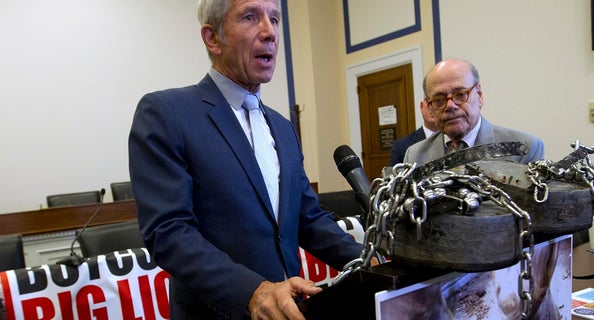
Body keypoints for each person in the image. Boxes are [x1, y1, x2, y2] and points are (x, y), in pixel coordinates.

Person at [128, 0, 364, 319]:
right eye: (251, 17)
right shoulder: (166, 113)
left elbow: (307, 218)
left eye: (275, 19)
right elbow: (168, 232)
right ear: (213, 38)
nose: (270, 32)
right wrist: (253, 291)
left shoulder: (282, 127)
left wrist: (369, 259)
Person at [403, 59, 544, 165]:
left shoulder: (525, 149)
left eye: (460, 94)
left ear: (479, 95)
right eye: (439, 100)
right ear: (429, 107)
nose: (450, 105)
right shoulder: (414, 155)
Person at [388, 100, 438, 165]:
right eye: (429, 105)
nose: (432, 110)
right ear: (421, 106)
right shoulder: (401, 146)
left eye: (437, 103)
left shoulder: (453, 140)